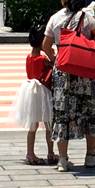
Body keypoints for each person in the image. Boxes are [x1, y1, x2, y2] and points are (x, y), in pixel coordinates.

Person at [42, 0, 95, 172]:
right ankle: (90, 156)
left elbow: (45, 46)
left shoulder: (55, 18)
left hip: (64, 74)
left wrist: (56, 58)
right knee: (91, 113)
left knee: (62, 114)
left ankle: (63, 159)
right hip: (88, 73)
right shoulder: (89, 17)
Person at [7, 25, 58, 165]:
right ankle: (51, 152)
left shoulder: (29, 57)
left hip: (30, 92)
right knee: (49, 124)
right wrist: (52, 54)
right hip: (43, 92)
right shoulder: (43, 59)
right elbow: (55, 65)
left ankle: (30, 153)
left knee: (33, 125)